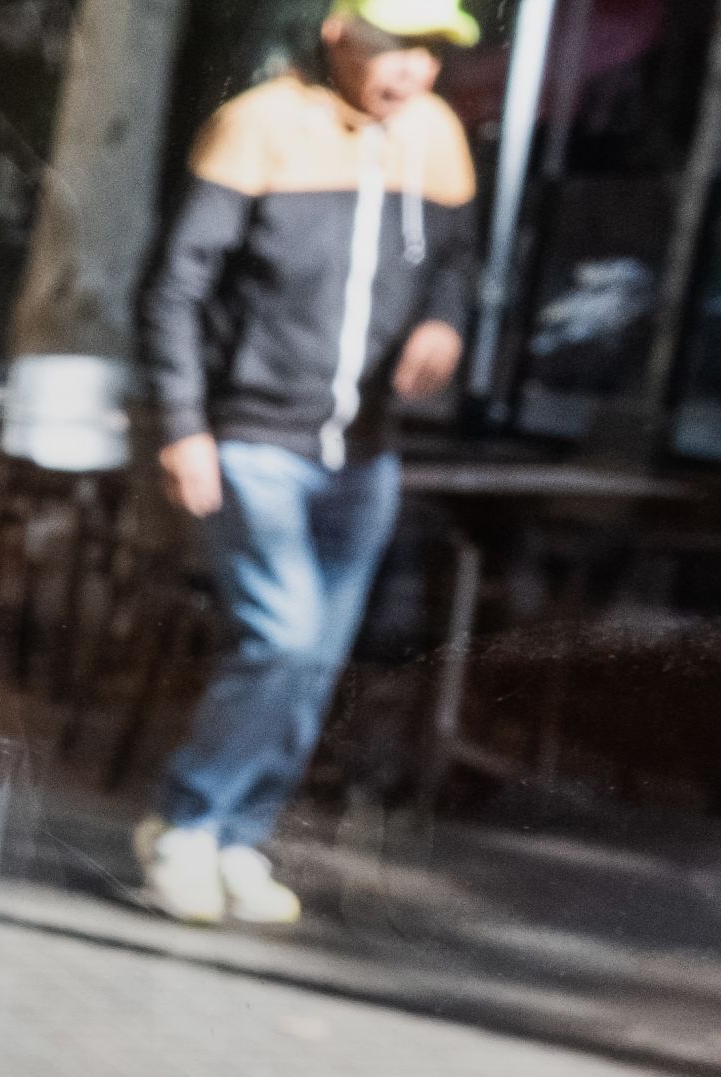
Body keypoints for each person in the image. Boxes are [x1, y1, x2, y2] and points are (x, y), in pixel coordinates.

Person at [133, 0, 482, 925]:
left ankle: (238, 836)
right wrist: (182, 424)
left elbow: (454, 263)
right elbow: (177, 285)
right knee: (282, 634)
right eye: (395, 45)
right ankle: (184, 823)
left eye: (431, 51)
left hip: (366, 454)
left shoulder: (436, 136)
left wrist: (446, 320)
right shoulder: (261, 125)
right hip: (254, 437)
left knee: (318, 660)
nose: (411, 69)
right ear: (339, 32)